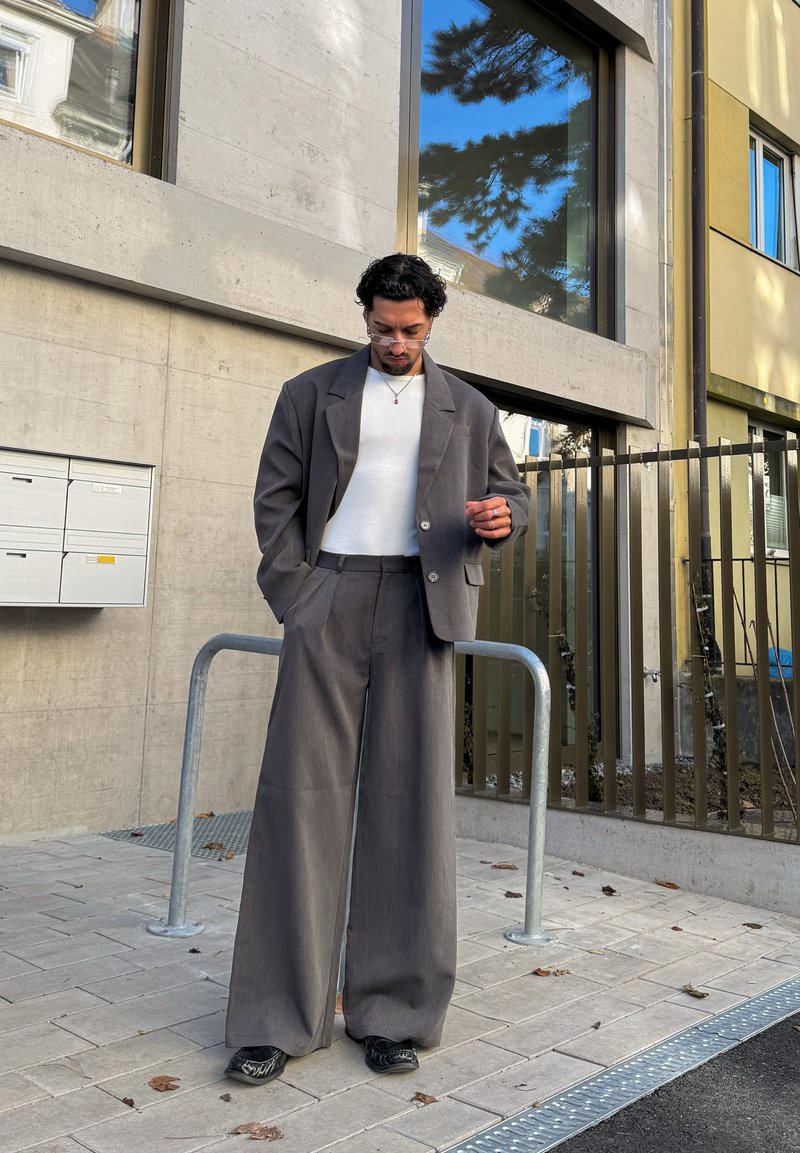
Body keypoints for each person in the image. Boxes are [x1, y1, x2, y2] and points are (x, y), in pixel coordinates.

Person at [225, 253, 529, 1084]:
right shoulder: (309, 392)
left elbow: (514, 494)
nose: (395, 341)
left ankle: (392, 1011)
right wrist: (300, 592)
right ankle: (274, 1017)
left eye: (411, 329)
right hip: (330, 595)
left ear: (432, 320)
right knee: (298, 801)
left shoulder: (468, 406)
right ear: (364, 314)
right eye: (381, 327)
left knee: (410, 810)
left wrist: (503, 518)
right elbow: (274, 500)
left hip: (421, 609)